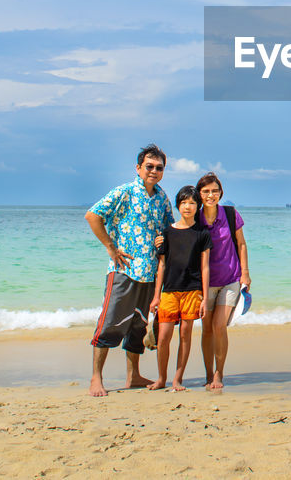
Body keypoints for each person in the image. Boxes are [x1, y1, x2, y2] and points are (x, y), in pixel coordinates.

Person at [85, 144, 173, 397]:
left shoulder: (162, 198)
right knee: (109, 323)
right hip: (124, 270)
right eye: (149, 166)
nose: (154, 171)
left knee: (138, 325)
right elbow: (93, 216)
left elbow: (167, 230)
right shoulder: (124, 192)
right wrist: (111, 248)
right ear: (138, 168)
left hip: (150, 272)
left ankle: (133, 376)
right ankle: (96, 378)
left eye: (159, 168)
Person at [148, 186, 211, 392]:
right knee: (164, 336)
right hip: (169, 292)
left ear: (197, 206)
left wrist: (205, 297)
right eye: (184, 203)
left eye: (192, 203)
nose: (188, 206)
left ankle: (177, 379)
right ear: (178, 205)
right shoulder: (167, 232)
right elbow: (162, 266)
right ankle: (160, 378)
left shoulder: (202, 233)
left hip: (192, 291)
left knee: (185, 334)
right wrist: (156, 296)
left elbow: (205, 266)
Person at [195, 172, 249, 392]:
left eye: (215, 191)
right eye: (206, 191)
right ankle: (208, 373)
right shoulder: (194, 218)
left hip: (230, 279)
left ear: (221, 193)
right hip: (204, 284)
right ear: (199, 194)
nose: (211, 195)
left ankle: (219, 372)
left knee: (219, 326)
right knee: (206, 329)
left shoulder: (230, 214)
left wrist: (245, 272)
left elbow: (242, 244)